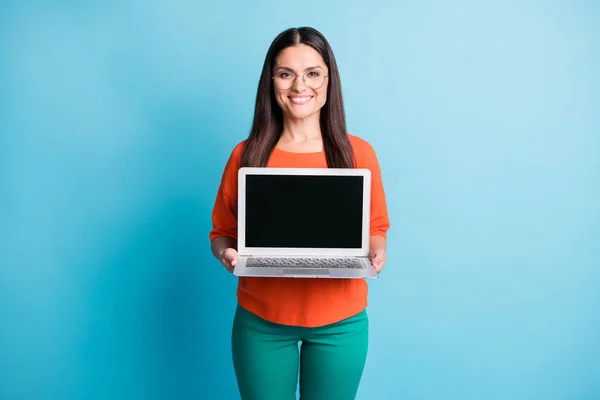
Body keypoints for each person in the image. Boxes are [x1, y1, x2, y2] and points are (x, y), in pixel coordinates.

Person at [209, 26, 390, 400]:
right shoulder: (246, 155)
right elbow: (222, 232)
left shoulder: (359, 153)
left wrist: (375, 249)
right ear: (271, 80)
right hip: (261, 320)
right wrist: (228, 254)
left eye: (312, 73)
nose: (299, 86)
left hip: (341, 322)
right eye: (285, 73)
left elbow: (375, 227)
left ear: (328, 79)